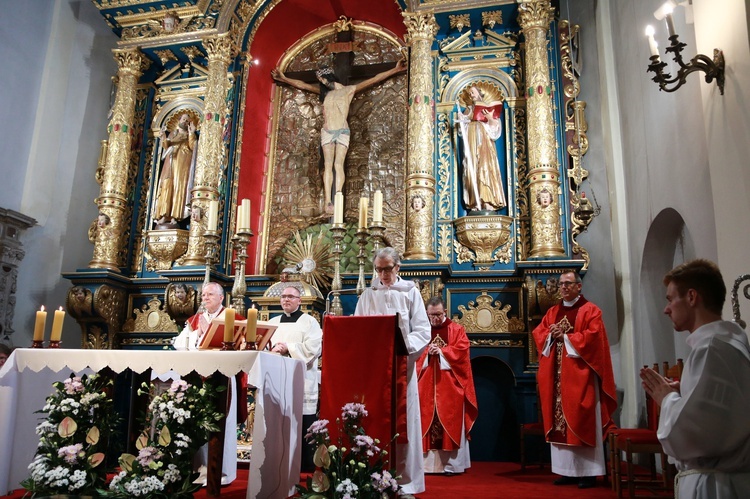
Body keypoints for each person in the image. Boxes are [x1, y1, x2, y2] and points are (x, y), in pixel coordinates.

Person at [640, 259, 750, 499]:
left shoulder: (710, 349)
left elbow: (691, 436)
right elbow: (722, 417)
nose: (666, 309)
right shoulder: (726, 343)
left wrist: (668, 398)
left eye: (670, 299)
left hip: (714, 488)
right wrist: (686, 395)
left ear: (691, 297)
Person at [271, 60, 406, 212]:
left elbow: (375, 79)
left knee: (338, 164)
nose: (321, 82)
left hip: (342, 131)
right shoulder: (325, 93)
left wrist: (394, 70)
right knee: (328, 165)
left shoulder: (349, 90)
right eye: (320, 80)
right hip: (327, 131)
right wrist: (285, 79)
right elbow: (303, 85)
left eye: (322, 79)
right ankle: (328, 201)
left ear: (329, 77)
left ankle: (338, 196)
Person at [354, 247, 430, 497]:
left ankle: (405, 482)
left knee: (404, 420)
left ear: (398, 267)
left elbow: (422, 330)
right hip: (375, 369)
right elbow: (358, 326)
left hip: (401, 368)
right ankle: (373, 477)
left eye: (387, 268)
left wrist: (403, 348)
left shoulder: (409, 292)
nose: (383, 274)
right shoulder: (369, 294)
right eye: (379, 269)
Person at [532, 270, 617, 489]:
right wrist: (550, 334)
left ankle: (588, 472)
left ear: (579, 286)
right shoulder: (552, 312)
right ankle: (567, 470)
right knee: (560, 421)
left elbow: (594, 338)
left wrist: (567, 338)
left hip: (581, 378)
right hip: (557, 378)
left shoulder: (591, 311)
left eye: (568, 284)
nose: (563, 288)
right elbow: (539, 333)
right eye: (561, 284)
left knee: (581, 418)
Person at [171, 282, 241, 485]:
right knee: (198, 423)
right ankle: (200, 470)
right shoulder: (194, 320)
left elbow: (239, 344)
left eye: (210, 294)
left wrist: (208, 332)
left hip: (223, 378)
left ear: (221, 298)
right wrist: (197, 334)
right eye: (203, 294)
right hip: (198, 378)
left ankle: (222, 472)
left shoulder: (233, 318)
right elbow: (179, 344)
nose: (205, 297)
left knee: (222, 424)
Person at [417, 296, 478, 475]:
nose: (434, 319)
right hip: (426, 387)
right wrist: (428, 352)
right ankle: (427, 466)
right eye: (431, 315)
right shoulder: (421, 331)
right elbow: (412, 355)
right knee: (426, 421)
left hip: (451, 387)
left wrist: (442, 352)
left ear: (444, 312)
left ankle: (452, 465)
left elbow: (462, 352)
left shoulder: (456, 330)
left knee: (450, 422)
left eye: (437, 314)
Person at [267, 285, 322, 473]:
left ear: (300, 300)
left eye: (291, 296)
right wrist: (272, 350)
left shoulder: (310, 322)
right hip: (277, 379)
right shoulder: (273, 322)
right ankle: (278, 462)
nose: (286, 300)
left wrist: (288, 348)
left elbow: (314, 348)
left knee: (302, 423)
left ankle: (305, 465)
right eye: (283, 296)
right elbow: (264, 346)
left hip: (302, 380)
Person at [456, 85, 506, 212]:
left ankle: (487, 200)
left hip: (484, 141)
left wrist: (490, 119)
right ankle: (475, 202)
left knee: (485, 167)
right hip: (471, 141)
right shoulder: (468, 110)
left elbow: (495, 128)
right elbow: (461, 130)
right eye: (470, 93)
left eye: (473, 92)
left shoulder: (486, 108)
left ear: (479, 93)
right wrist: (461, 119)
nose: (471, 95)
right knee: (472, 167)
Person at [154, 112, 197, 226]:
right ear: (179, 120)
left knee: (179, 186)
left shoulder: (188, 135)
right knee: (167, 185)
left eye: (187, 121)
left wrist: (192, 133)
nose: (185, 122)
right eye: (183, 119)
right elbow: (165, 145)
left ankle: (175, 216)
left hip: (183, 162)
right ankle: (163, 215)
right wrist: (163, 136)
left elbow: (193, 147)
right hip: (171, 160)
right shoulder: (173, 133)